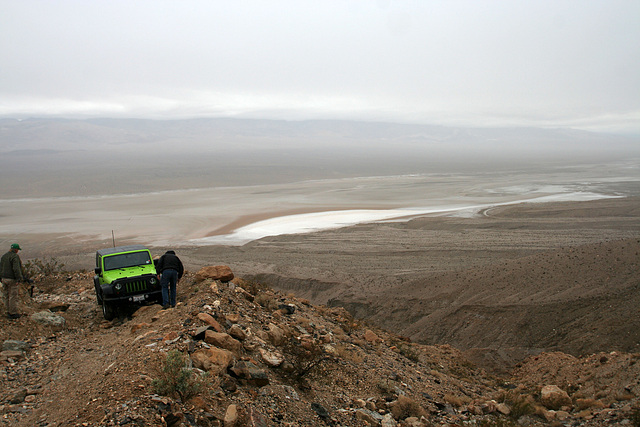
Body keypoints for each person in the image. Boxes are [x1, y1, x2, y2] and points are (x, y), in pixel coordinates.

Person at [1, 243, 25, 319]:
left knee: (6, 295)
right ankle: (13, 313)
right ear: (16, 249)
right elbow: (16, 269)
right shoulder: (15, 256)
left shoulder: (4, 256)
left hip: (4, 278)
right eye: (17, 249)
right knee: (13, 296)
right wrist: (19, 278)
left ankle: (7, 311)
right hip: (12, 279)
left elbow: (0, 267)